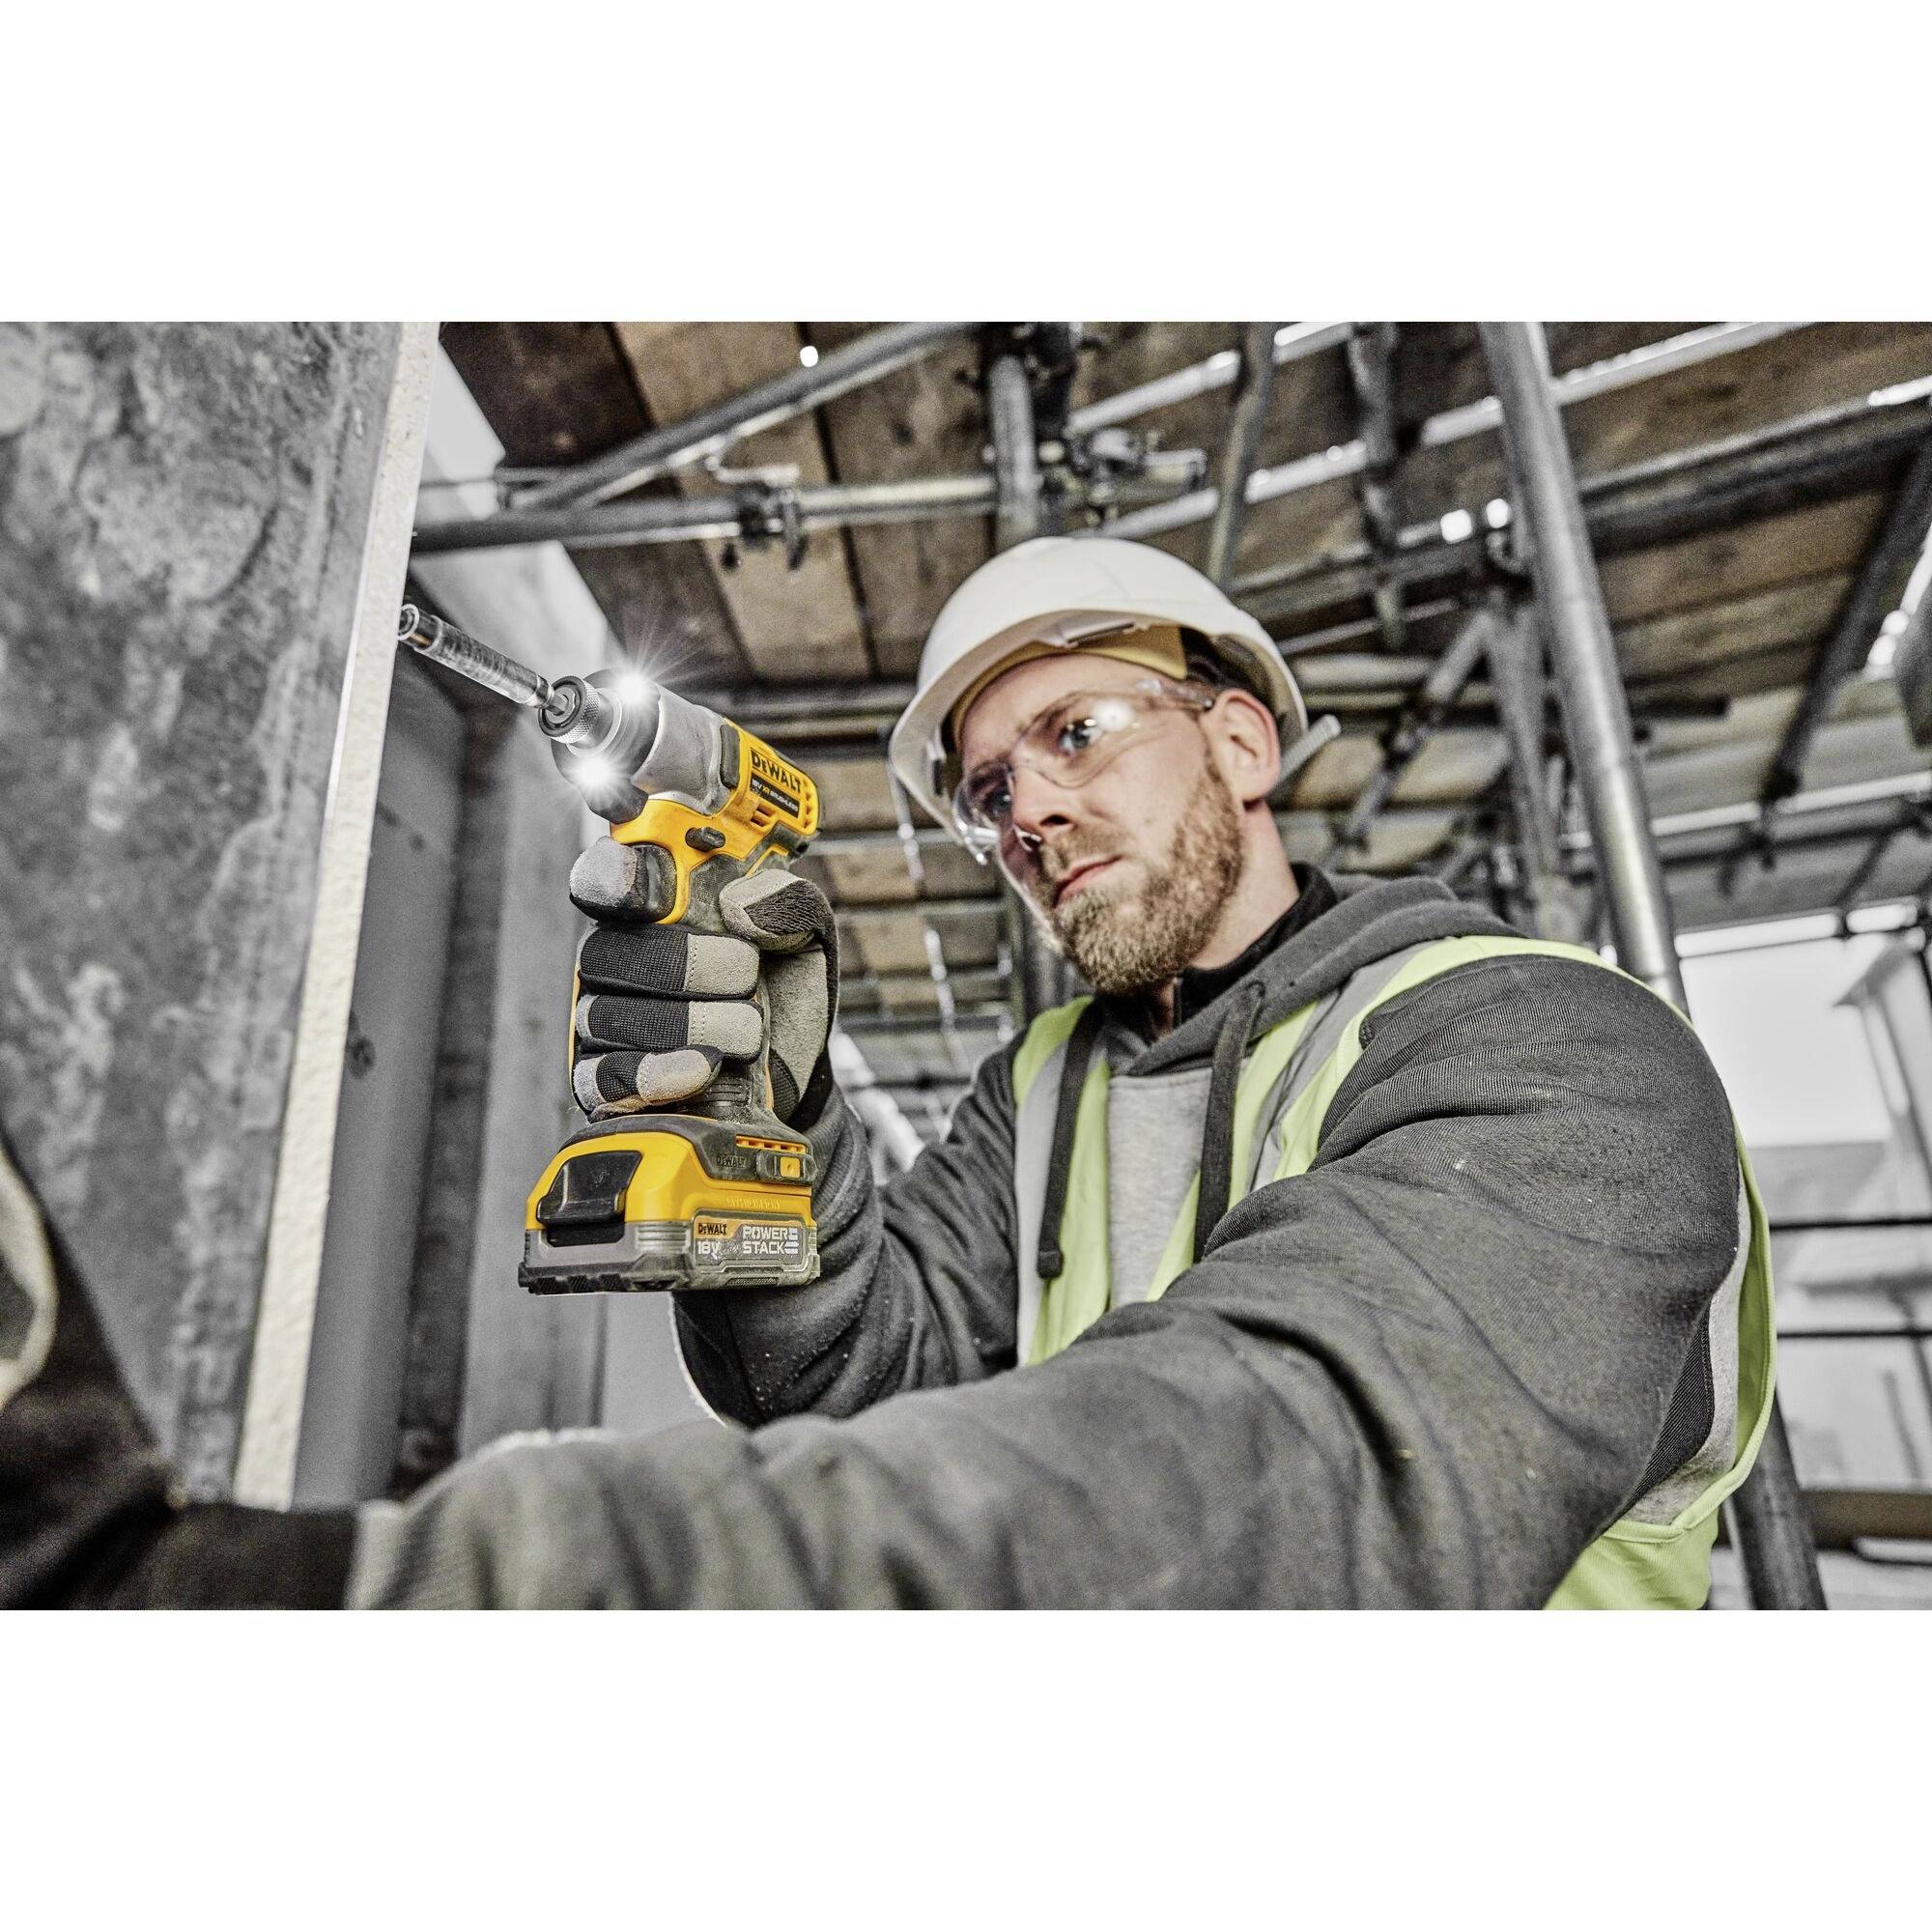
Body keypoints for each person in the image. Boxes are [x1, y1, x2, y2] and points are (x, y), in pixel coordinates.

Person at [0, 538, 1774, 1608]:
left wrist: (396, 1605)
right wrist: (773, 1136)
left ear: (1240, 737)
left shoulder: (1556, 1055)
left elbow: (1286, 1488)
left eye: (1075, 732)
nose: (1030, 811)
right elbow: (867, 1373)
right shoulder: (1050, 1080)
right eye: (991, 791)